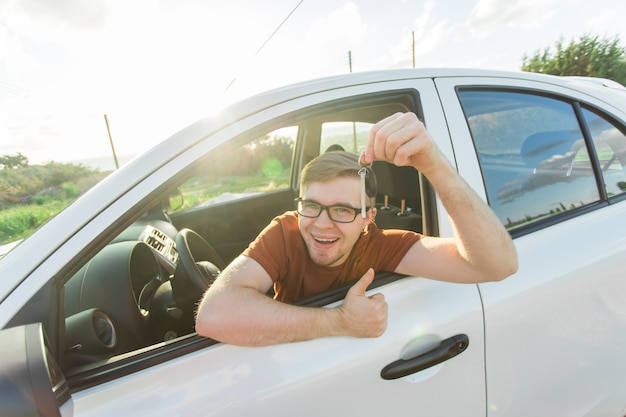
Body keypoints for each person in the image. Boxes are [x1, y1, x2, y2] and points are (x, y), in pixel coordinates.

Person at [195, 112, 518, 346]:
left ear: (368, 218)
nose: (322, 223)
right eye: (311, 206)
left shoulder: (380, 246)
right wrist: (339, 321)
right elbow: (214, 315)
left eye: (342, 210)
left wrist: (434, 165)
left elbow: (497, 265)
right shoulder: (286, 230)